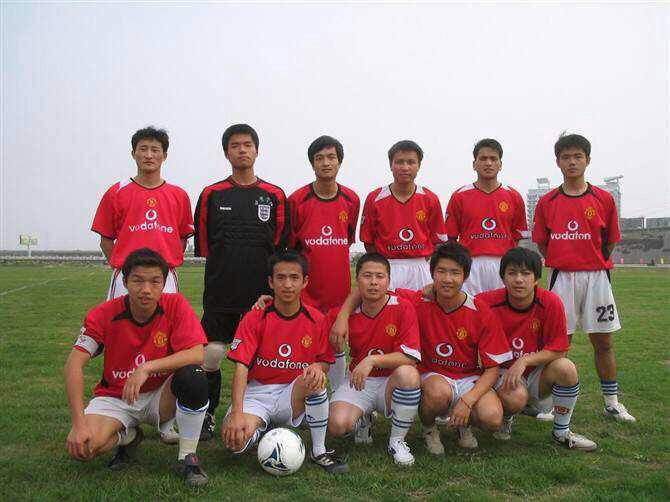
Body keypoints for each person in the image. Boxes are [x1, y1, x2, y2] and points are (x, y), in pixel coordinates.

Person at [64, 249, 210, 486]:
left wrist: (147, 368)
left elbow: (197, 353)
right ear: (125, 282)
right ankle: (130, 436)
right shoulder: (103, 314)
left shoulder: (175, 305)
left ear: (164, 284)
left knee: (193, 374)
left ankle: (187, 458)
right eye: (138, 280)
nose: (146, 289)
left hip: (160, 397)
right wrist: (79, 425)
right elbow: (74, 365)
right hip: (117, 396)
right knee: (84, 448)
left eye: (155, 281)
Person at [194, 123, 290, 440]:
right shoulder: (211, 194)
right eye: (235, 145)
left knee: (259, 357)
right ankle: (207, 413)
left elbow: (280, 248)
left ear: (257, 150)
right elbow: (205, 247)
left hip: (260, 295)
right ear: (227, 152)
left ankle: (259, 413)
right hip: (221, 292)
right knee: (211, 354)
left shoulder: (274, 195)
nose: (242, 150)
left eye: (247, 144)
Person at [533, 133, 635, 422]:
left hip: (596, 278)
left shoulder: (603, 199)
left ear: (587, 160)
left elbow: (610, 241)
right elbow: (542, 243)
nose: (572, 162)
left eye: (577, 156)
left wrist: (590, 260)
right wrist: (566, 259)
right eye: (566, 157)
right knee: (557, 345)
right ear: (558, 162)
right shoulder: (547, 201)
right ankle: (551, 404)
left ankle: (612, 402)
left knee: (603, 342)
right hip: (562, 279)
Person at [222, 252, 348, 474]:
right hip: (256, 394)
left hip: (292, 393)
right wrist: (237, 413)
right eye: (280, 278)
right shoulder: (254, 317)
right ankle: (260, 428)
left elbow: (324, 362)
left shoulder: (317, 319)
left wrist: (317, 368)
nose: (287, 284)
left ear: (305, 282)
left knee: (315, 379)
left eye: (294, 278)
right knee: (235, 443)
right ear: (271, 282)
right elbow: (241, 367)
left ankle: (319, 451)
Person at [394, 242, 513, 454]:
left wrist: (467, 401)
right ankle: (429, 428)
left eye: (455, 273)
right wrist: (344, 314)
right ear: (432, 273)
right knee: (437, 394)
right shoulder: (418, 301)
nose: (447, 279)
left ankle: (462, 425)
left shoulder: (480, 311)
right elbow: (375, 290)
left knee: (493, 418)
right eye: (441, 271)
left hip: (467, 378)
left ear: (465, 276)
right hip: (432, 375)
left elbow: (493, 368)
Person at [478, 247, 597, 450]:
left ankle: (561, 432)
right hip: (501, 372)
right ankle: (507, 416)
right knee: (515, 398)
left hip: (535, 373)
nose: (519, 280)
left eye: (526, 273)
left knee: (566, 368)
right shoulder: (486, 302)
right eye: (512, 273)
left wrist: (525, 360)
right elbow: (457, 304)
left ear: (536, 279)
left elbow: (559, 349)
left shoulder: (551, 302)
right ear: (503, 277)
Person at [325, 253, 422, 466]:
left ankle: (397, 441)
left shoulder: (403, 307)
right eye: (367, 276)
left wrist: (371, 361)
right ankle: (363, 418)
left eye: (380, 276)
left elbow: (409, 357)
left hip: (391, 382)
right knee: (336, 426)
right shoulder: (342, 314)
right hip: (359, 381)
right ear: (357, 279)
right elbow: (325, 348)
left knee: (409, 374)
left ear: (389, 280)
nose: (374, 282)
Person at [288, 135, 360, 390]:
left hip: (338, 292)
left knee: (337, 344)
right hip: (307, 292)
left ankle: (339, 398)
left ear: (340, 162)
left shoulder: (351, 199)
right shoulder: (297, 200)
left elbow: (346, 239)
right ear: (312, 163)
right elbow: (292, 248)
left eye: (331, 157)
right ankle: (303, 398)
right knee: (305, 345)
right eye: (319, 158)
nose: (326, 163)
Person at [91, 127, 194, 299]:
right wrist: (124, 268)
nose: (149, 155)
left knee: (166, 318)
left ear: (164, 155)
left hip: (165, 277)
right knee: (121, 317)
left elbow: (182, 238)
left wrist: (163, 263)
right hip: (127, 276)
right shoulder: (116, 192)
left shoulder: (179, 195)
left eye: (155, 150)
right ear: (133, 154)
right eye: (143, 149)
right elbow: (106, 241)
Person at [445, 138, 528, 295]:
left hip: (503, 264)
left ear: (500, 164)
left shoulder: (513, 196)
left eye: (493, 159)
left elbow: (518, 238)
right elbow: (451, 239)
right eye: (483, 159)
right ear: (474, 164)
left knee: (502, 307)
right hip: (470, 264)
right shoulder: (459, 196)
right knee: (471, 307)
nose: (488, 163)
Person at [360, 140, 447, 291]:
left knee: (422, 306)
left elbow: (438, 241)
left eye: (411, 162)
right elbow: (369, 241)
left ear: (419, 165)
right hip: (387, 267)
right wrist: (383, 264)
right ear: (391, 165)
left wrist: (422, 260)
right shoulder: (375, 198)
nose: (405, 167)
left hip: (421, 268)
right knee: (389, 306)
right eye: (399, 162)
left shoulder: (430, 198)